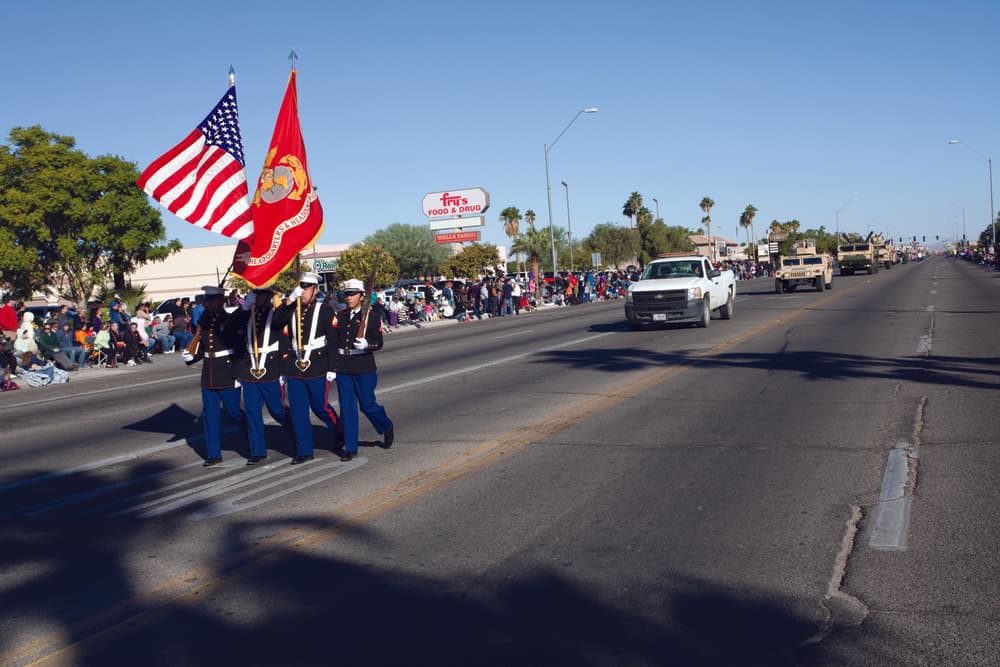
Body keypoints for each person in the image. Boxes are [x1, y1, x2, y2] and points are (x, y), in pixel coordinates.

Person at [274, 272, 342, 465]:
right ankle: (304, 449)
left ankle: (339, 429)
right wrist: (289, 300)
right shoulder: (292, 309)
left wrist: (332, 367)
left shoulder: (326, 310)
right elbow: (278, 322)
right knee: (298, 410)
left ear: (315, 290)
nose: (303, 292)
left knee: (320, 406)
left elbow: (332, 340)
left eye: (306, 288)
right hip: (295, 366)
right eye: (301, 288)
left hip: (318, 364)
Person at [330, 278, 394, 461]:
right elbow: (334, 342)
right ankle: (351, 447)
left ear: (361, 296)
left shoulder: (372, 316)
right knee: (347, 408)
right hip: (343, 366)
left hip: (363, 366)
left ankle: (386, 425)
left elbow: (379, 342)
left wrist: (368, 344)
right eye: (346, 294)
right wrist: (333, 366)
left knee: (367, 405)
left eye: (352, 294)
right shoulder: (340, 315)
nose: (348, 298)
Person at [183, 286, 244, 466]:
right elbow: (203, 348)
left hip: (227, 372)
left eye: (213, 300)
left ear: (221, 301)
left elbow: (240, 347)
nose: (210, 303)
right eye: (207, 300)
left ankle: (252, 439)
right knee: (210, 416)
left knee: (234, 413)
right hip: (209, 373)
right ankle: (213, 454)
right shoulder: (204, 320)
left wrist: (238, 374)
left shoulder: (230, 320)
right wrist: (190, 358)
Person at [232, 286, 290, 465]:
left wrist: (283, 369)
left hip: (271, 368)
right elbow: (232, 327)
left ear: (269, 296)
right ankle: (257, 450)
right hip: (250, 369)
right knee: (251, 411)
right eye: (254, 294)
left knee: (277, 410)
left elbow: (283, 330)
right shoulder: (248, 313)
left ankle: (298, 434)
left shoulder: (275, 314)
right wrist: (243, 307)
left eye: (261, 294)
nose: (257, 297)